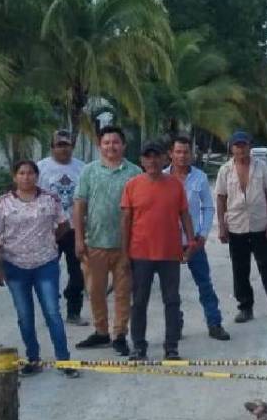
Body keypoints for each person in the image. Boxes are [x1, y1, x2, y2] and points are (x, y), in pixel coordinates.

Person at [0, 161, 79, 378]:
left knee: (53, 313)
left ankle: (64, 359)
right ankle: (33, 359)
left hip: (45, 263)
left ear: (37, 176)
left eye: (30, 173)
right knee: (25, 315)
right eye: (21, 173)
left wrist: (50, 241)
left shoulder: (50, 200)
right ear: (14, 177)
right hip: (15, 266)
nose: (26, 177)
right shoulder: (4, 203)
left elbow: (64, 224)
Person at [121, 141, 194, 361]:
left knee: (172, 300)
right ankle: (139, 347)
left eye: (156, 156)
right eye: (148, 157)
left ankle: (171, 347)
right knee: (139, 302)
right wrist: (125, 254)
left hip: (169, 254)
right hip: (140, 253)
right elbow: (125, 220)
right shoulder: (132, 185)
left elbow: (185, 215)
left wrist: (190, 242)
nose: (152, 161)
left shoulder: (175, 185)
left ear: (165, 159)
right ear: (142, 161)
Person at [73, 126, 141, 355]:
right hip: (95, 244)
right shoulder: (89, 171)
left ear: (124, 145)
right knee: (95, 290)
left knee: (123, 293)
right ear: (99, 145)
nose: (111, 146)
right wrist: (79, 239)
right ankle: (101, 332)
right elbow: (80, 205)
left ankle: (120, 334)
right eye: (106, 142)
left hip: (125, 246)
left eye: (115, 142)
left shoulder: (134, 172)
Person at [215, 130, 267, 325]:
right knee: (240, 269)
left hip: (260, 224)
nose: (241, 149)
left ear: (250, 146)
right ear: (231, 148)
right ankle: (245, 307)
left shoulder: (261, 167)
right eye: (237, 145)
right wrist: (222, 226)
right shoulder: (225, 170)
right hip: (236, 226)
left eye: (244, 144)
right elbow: (221, 198)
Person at [167, 135, 230, 340]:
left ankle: (214, 323)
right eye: (178, 152)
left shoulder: (200, 177)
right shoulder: (161, 177)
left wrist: (202, 235)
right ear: (171, 154)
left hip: (194, 241)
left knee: (204, 284)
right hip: (168, 243)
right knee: (171, 288)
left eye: (186, 152)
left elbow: (208, 207)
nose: (182, 156)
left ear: (191, 154)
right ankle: (175, 325)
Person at [38, 129, 88, 327]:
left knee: (78, 272)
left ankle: (74, 311)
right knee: (49, 272)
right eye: (59, 145)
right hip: (50, 228)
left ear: (72, 147)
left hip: (75, 228)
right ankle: (51, 310)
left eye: (66, 145)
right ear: (52, 147)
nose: (63, 149)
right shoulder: (40, 168)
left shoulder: (83, 168)